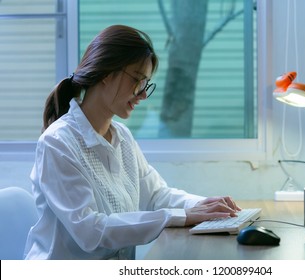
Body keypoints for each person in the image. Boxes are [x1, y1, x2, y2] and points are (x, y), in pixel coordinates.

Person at [23, 25, 241, 260]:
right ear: (107, 74)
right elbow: (90, 231)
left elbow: (157, 195)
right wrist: (183, 215)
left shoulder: (122, 136)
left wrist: (208, 206)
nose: (143, 94)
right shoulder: (57, 143)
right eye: (138, 80)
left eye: (146, 84)